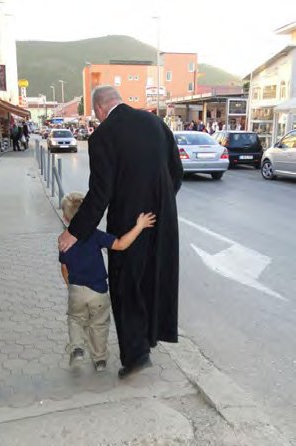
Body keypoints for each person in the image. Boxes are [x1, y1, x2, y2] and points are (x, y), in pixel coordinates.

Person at [58, 85, 183, 379]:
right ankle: (149, 341)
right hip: (161, 220)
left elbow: (101, 193)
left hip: (128, 225)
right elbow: (175, 173)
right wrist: (160, 204)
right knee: (154, 280)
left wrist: (74, 232)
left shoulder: (103, 135)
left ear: (100, 109)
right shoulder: (156, 123)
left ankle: (137, 355)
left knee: (127, 286)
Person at [59, 192, 156, 372]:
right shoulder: (96, 236)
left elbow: (64, 269)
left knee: (75, 319)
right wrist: (139, 226)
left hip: (75, 291)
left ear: (65, 218)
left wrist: (71, 286)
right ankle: (100, 359)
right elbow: (120, 244)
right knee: (99, 324)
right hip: (98, 292)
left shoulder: (64, 240)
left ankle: (78, 348)